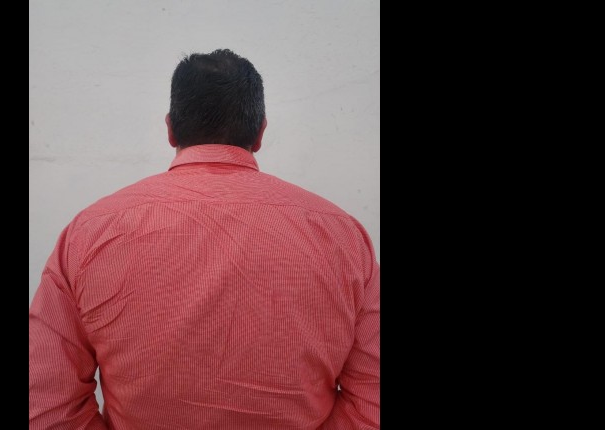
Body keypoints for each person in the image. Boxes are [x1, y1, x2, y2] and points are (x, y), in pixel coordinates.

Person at [29, 49, 379, 430]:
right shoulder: (342, 235)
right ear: (261, 132)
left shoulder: (89, 233)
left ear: (170, 130)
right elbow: (372, 402)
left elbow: (48, 405)